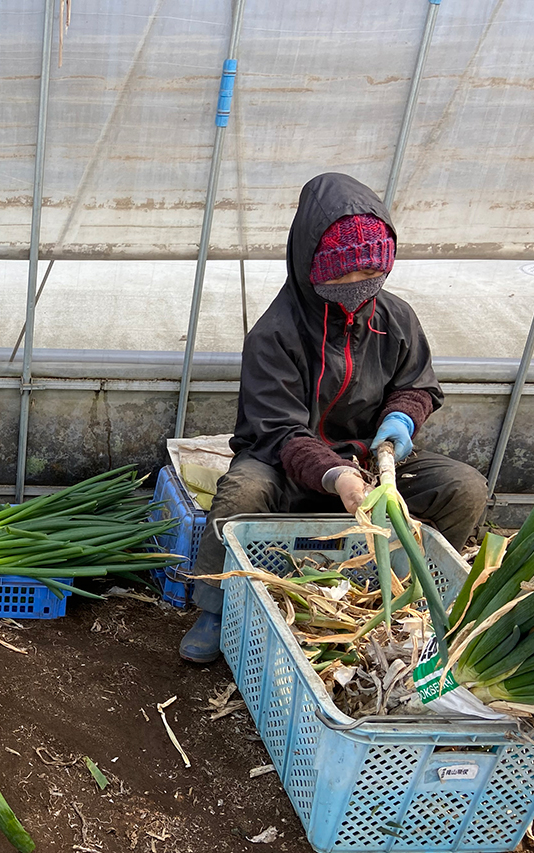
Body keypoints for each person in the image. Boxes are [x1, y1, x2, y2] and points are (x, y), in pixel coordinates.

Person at [178, 172, 488, 664]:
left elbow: (417, 385)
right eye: (340, 275)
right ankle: (216, 607)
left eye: (368, 274)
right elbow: (278, 431)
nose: (355, 288)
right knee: (242, 492)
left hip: (370, 463)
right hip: (285, 464)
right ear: (310, 267)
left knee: (464, 487)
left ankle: (403, 589)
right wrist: (335, 473)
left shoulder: (396, 319)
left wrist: (400, 423)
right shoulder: (274, 335)